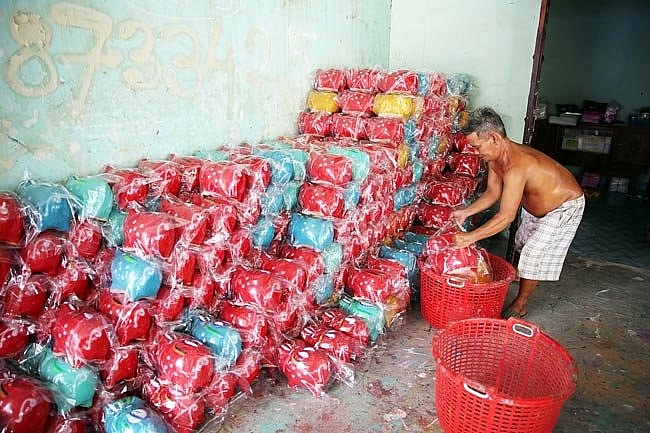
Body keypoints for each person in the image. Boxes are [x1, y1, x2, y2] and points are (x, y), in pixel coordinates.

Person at [451, 107, 585, 318]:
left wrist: (470, 237)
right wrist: (465, 212)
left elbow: (506, 217)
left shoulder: (518, 165)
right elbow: (492, 193)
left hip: (563, 206)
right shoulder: (495, 159)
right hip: (535, 207)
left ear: (494, 138)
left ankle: (520, 303)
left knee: (534, 253)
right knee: (522, 242)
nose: (477, 153)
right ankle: (524, 272)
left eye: (477, 147)